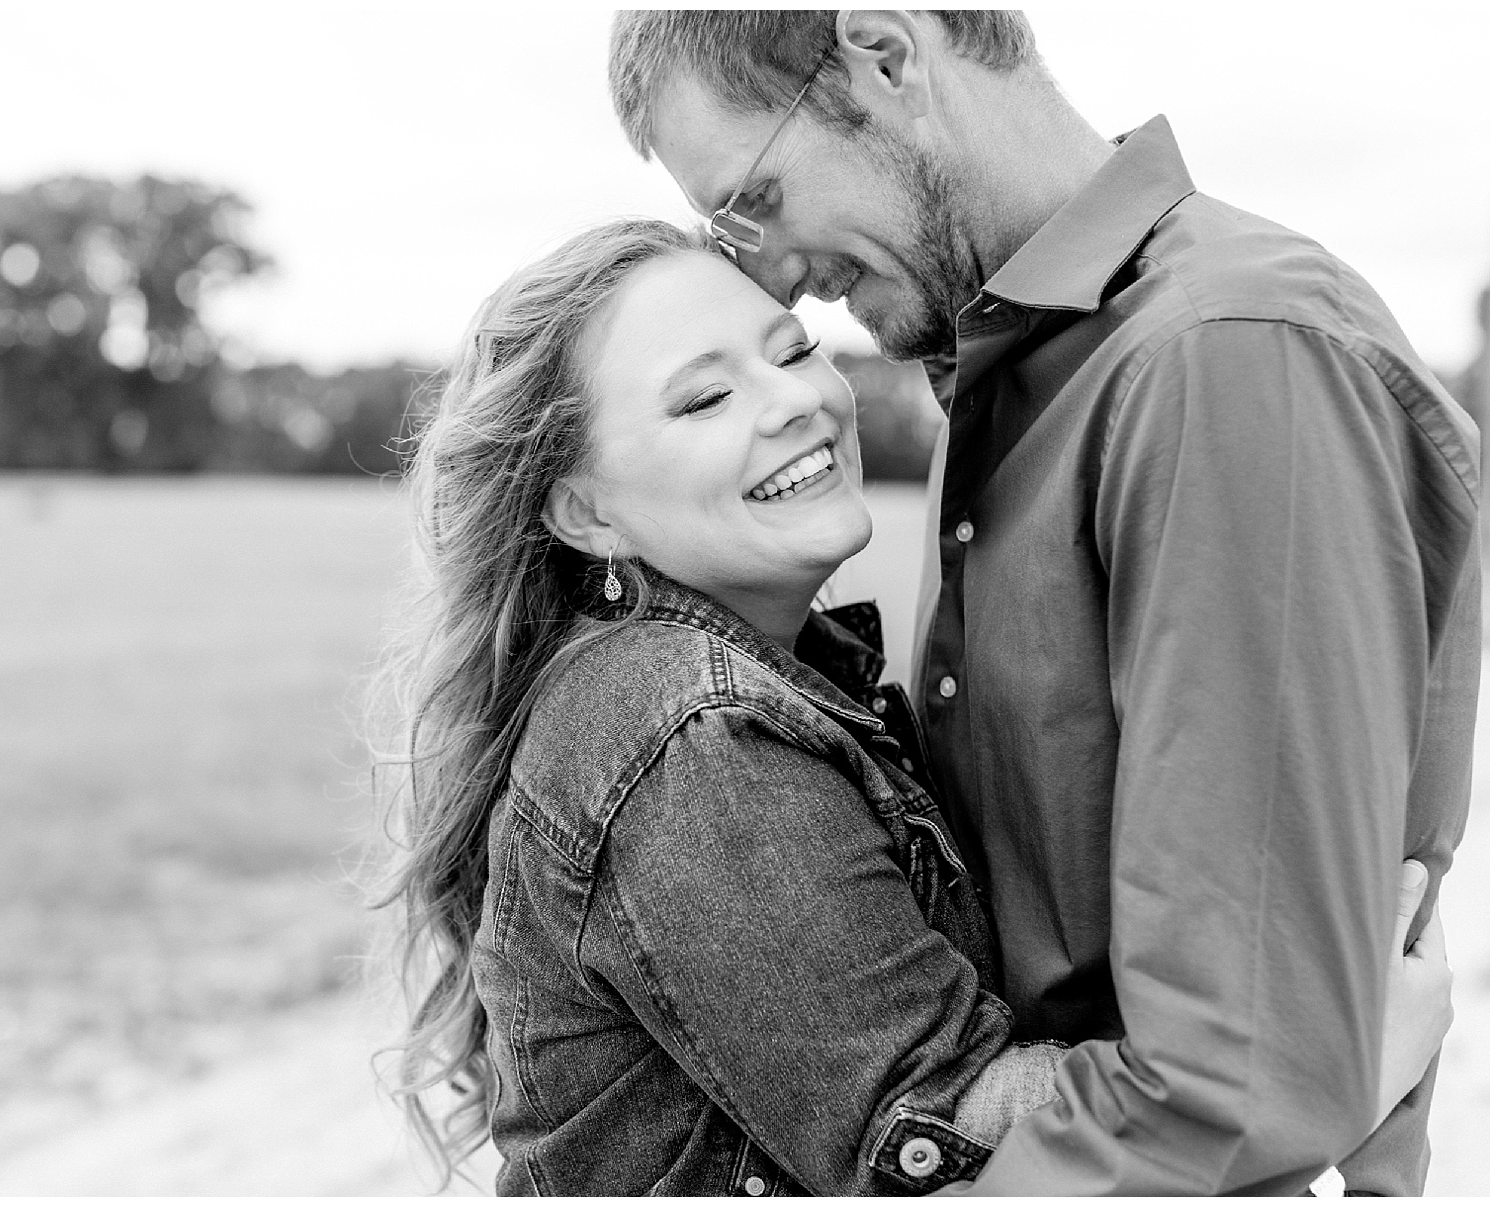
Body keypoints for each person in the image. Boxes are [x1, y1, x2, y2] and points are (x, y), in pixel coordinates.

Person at [374, 216, 1452, 1195]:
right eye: (705, 398)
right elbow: (936, 1146)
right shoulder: (685, 732)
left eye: (792, 350)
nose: (796, 398)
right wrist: (1308, 1066)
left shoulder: (770, 683)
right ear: (585, 511)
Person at [606, 9, 1483, 1196]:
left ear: (882, 56)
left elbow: (1232, 1089)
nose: (768, 274)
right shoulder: (1021, 380)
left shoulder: (1221, 355)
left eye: (753, 200)